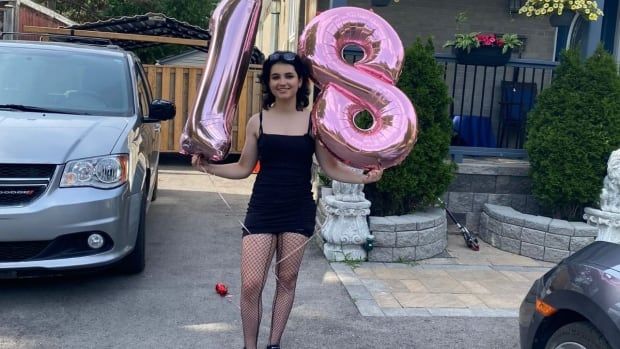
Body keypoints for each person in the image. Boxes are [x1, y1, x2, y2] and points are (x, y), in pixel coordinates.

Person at [192, 50, 383, 349]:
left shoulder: (314, 124)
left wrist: (363, 178)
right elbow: (243, 168)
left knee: (287, 279)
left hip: (298, 209)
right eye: (275, 76)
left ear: (301, 81)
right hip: (263, 208)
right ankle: (249, 345)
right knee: (252, 284)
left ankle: (274, 343)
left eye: (289, 76)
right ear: (268, 82)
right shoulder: (258, 122)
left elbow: (330, 167)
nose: (282, 82)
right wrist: (209, 166)